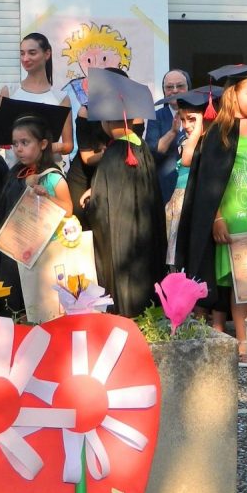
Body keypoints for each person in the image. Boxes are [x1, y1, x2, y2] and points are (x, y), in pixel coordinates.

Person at [176, 65, 247, 361]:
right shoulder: (220, 134)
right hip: (235, 223)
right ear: (233, 93)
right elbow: (208, 183)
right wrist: (216, 217)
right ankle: (242, 342)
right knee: (240, 289)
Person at [80, 68, 167, 318]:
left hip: (121, 241)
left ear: (107, 123)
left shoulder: (114, 153)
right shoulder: (141, 149)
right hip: (145, 236)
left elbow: (102, 205)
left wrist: (91, 201)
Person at [0, 114, 72, 315]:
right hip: (15, 247)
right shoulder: (16, 173)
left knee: (38, 301)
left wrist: (47, 196)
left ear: (43, 143)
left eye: (25, 142)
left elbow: (68, 209)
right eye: (15, 144)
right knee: (13, 299)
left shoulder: (53, 177)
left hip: (42, 250)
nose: (19, 148)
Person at [162, 86, 213, 267]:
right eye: (183, 120)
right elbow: (185, 158)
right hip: (179, 203)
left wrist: (199, 131)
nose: (187, 125)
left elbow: (187, 159)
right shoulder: (186, 141)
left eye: (192, 119)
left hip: (194, 203)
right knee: (176, 258)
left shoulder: (208, 141)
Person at [1, 33, 73, 156]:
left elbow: (68, 145)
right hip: (15, 170)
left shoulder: (61, 98)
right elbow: (1, 139)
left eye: (32, 53)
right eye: (22, 53)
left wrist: (47, 147)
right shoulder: (9, 92)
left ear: (47, 54)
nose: (25, 58)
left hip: (47, 170)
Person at [145, 69, 190, 202]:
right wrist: (172, 132)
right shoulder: (157, 116)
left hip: (191, 182)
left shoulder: (198, 114)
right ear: (164, 91)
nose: (175, 90)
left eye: (180, 86)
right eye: (169, 87)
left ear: (188, 88)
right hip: (166, 184)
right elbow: (153, 153)